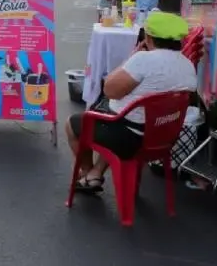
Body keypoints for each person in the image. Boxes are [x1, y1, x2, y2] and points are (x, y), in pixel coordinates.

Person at [66, 11, 197, 193]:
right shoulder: (187, 65)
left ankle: (88, 174)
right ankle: (95, 173)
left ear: (149, 37)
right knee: (114, 118)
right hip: (163, 138)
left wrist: (130, 58)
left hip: (130, 138)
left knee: (73, 124)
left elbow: (109, 90)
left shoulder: (143, 60)